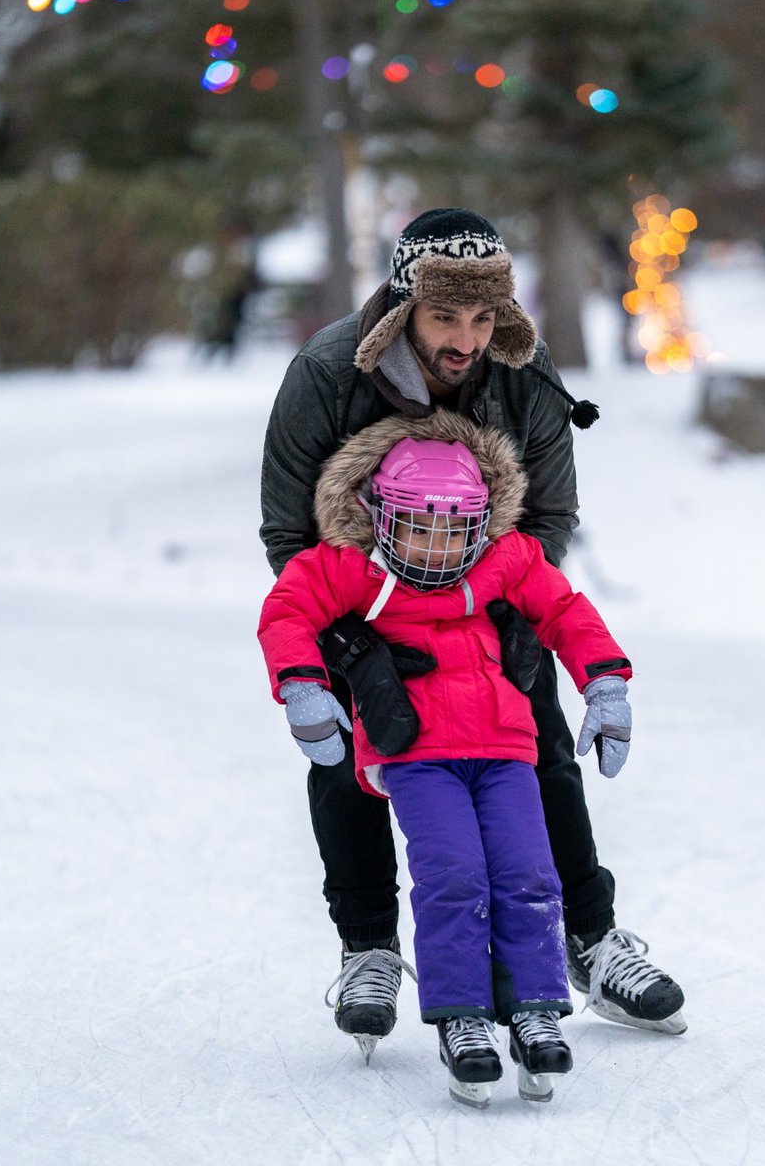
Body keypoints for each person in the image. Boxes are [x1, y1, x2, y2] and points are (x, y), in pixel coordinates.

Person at [258, 207, 685, 1051]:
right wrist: (348, 645)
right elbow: (288, 534)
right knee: (349, 758)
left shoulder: (523, 370)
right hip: (364, 603)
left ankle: (590, 938)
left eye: (484, 317)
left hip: (491, 598)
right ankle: (369, 948)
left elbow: (551, 512)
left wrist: (511, 610)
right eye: (446, 316)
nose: (467, 337)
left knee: (540, 748)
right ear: (402, 309)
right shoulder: (326, 371)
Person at [258, 411, 638, 1107]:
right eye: (416, 526)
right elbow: (287, 612)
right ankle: (461, 1014)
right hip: (419, 757)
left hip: (504, 750)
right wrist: (303, 688)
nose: (435, 548)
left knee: (529, 875)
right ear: (380, 515)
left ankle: (535, 1007)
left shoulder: (506, 560)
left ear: (477, 523)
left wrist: (605, 682)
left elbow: (566, 612)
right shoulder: (351, 569)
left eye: (453, 529)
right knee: (456, 877)